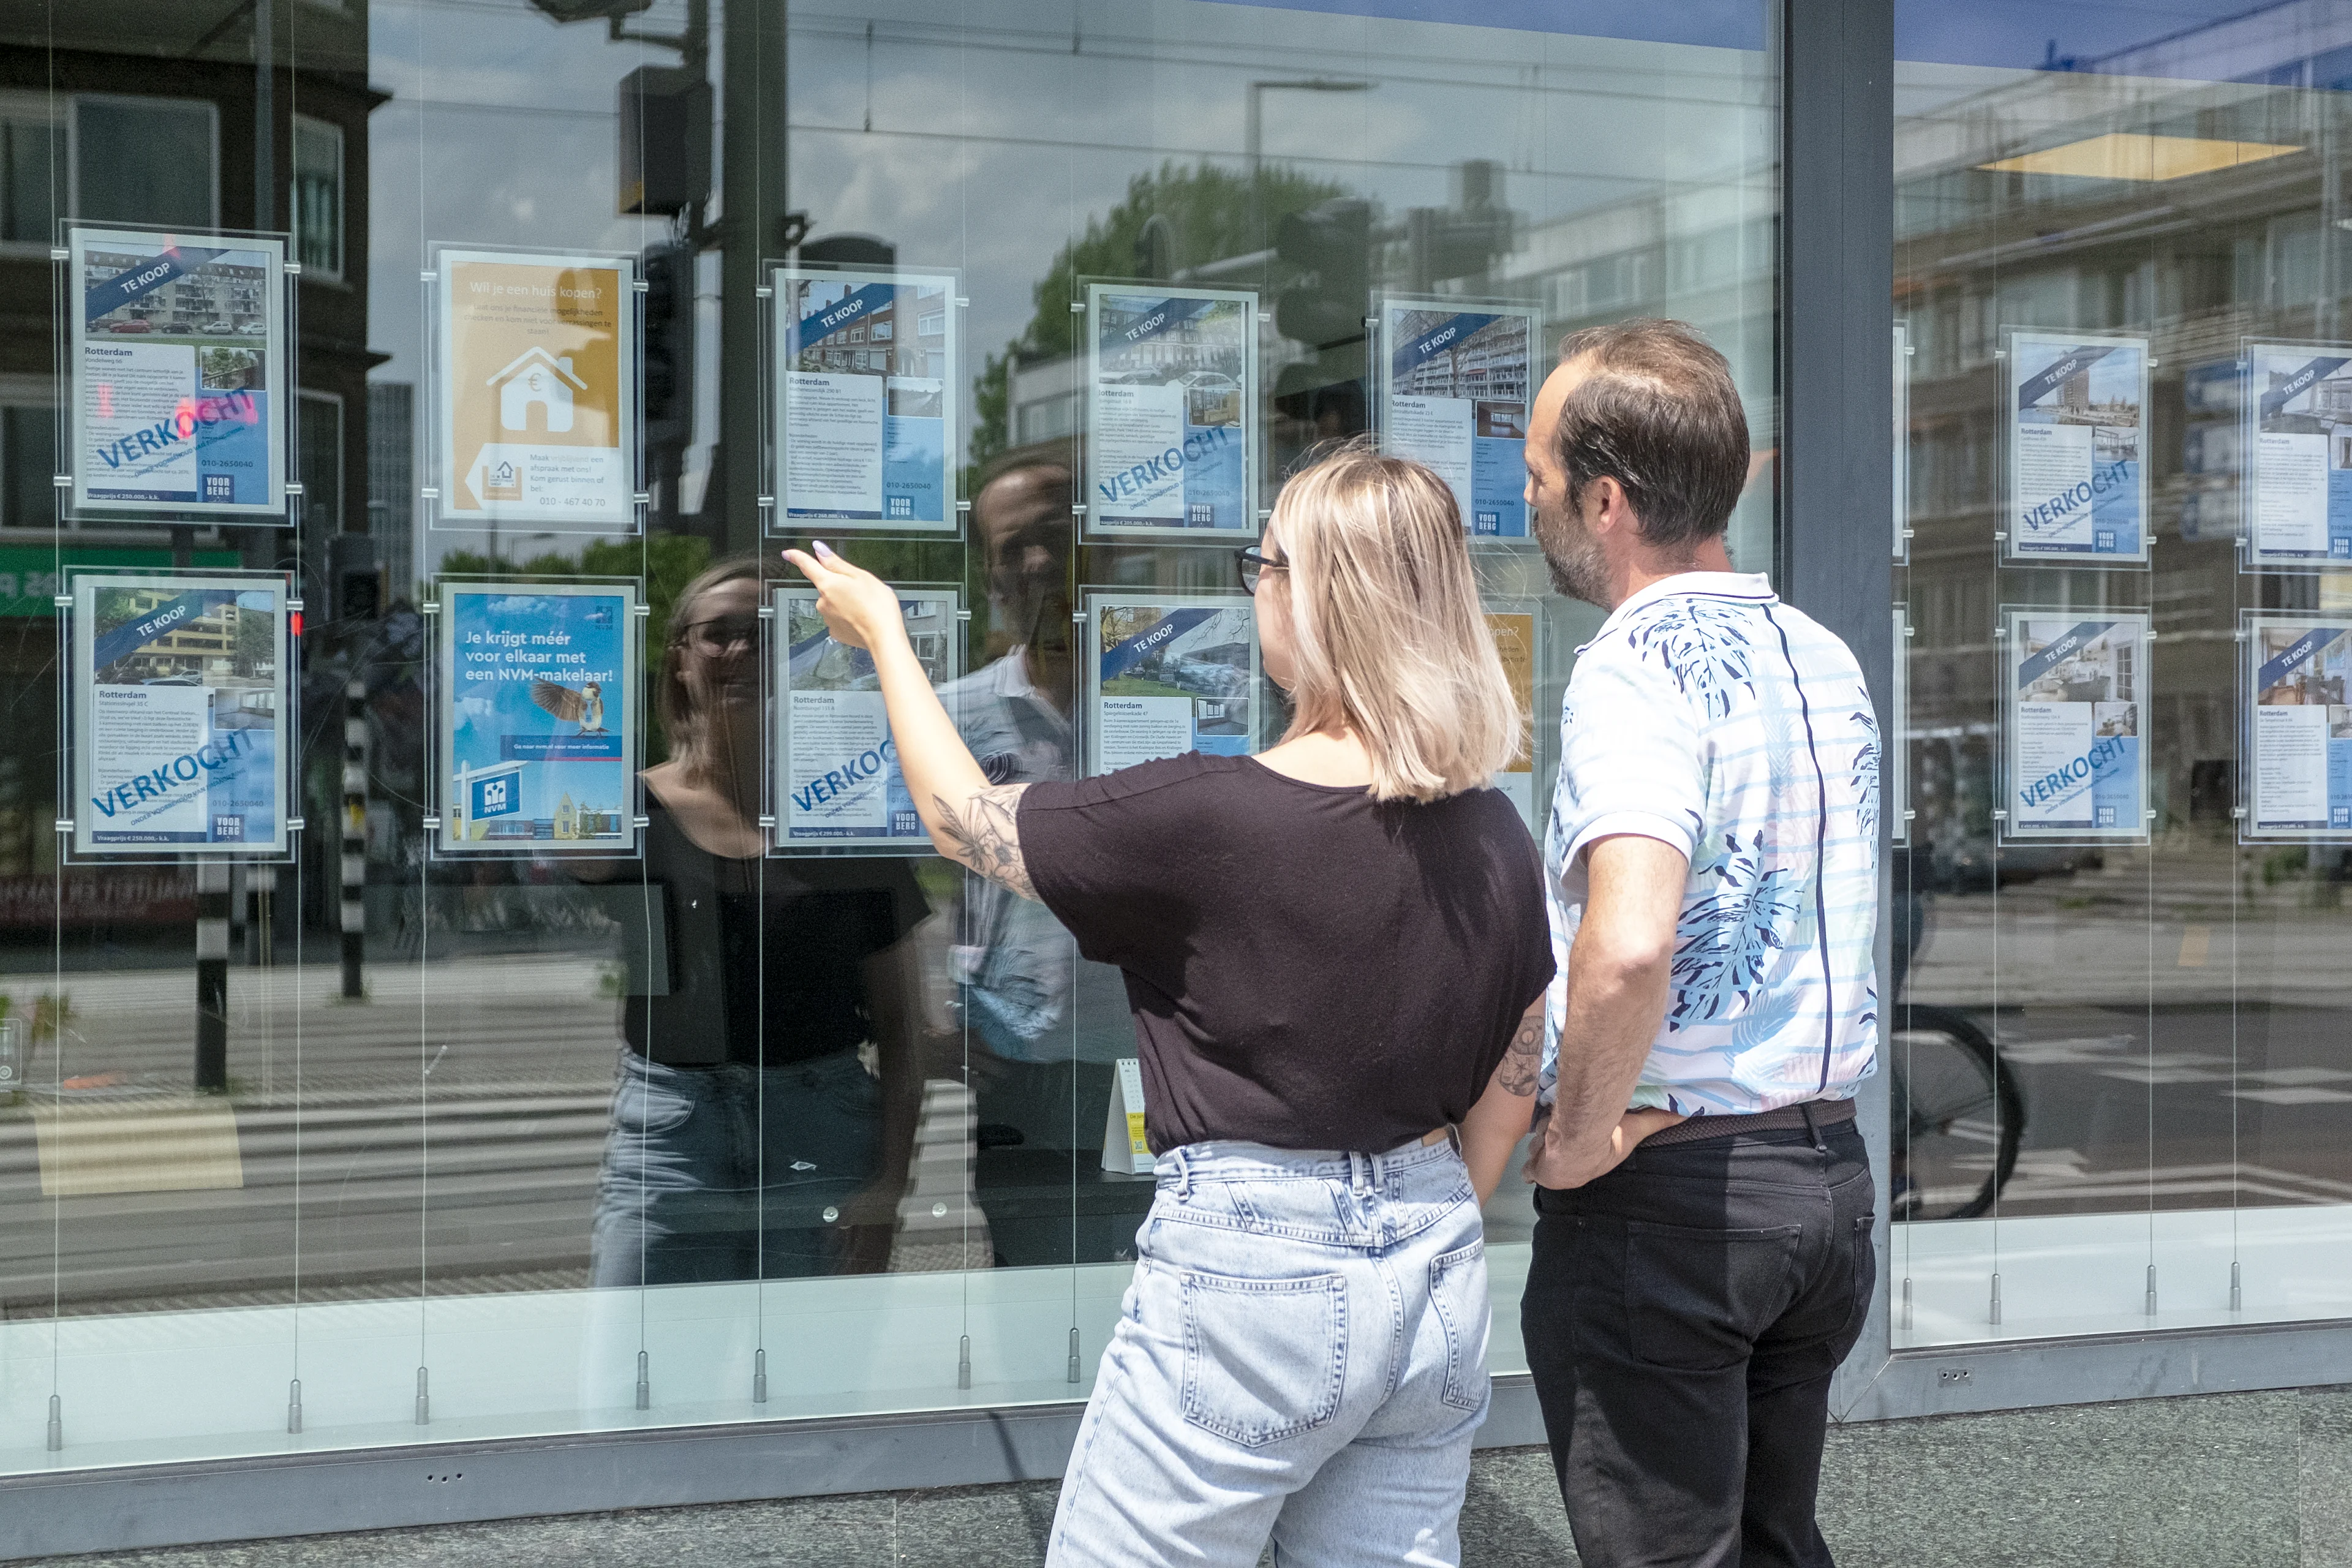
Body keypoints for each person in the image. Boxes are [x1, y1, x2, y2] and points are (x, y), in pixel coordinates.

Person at [786, 442, 1554, 1568]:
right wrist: (1406, 1217)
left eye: (1265, 565)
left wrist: (887, 637)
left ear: (1316, 597)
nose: (1255, 589)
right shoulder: (1493, 829)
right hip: (1434, 1275)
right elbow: (1514, 1076)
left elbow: (962, 820)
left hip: (1254, 1275)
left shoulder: (1210, 816)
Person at [1515, 318, 1880, 1568]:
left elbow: (1629, 943)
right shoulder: (1823, 655)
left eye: (1540, 476)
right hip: (1823, 1184)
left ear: (1606, 500)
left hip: (1676, 1205)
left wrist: (1575, 1143)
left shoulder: (1635, 669)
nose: (1528, 501)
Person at [581, 557, 929, 1288]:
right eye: (718, 633)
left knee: (813, 1363)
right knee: (637, 1364)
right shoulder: (625, 810)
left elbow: (903, 1028)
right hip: (671, 1138)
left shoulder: (847, 813)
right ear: (681, 659)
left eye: (766, 633)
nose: (740, 649)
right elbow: (537, 873)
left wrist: (888, 1186)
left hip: (823, 1131)